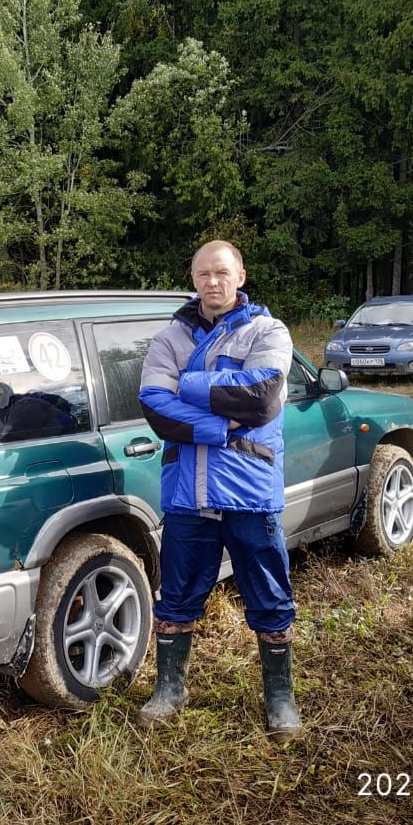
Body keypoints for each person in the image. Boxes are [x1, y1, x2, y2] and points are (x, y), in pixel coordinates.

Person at [137, 240, 302, 740]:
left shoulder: (266, 330)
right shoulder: (170, 337)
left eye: (222, 272)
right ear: (194, 280)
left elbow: (262, 397)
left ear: (241, 276)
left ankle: (279, 697)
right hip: (188, 493)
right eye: (204, 273)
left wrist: (188, 384)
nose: (213, 282)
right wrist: (219, 427)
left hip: (250, 491)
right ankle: (171, 688)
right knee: (178, 594)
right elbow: (154, 408)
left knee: (270, 596)